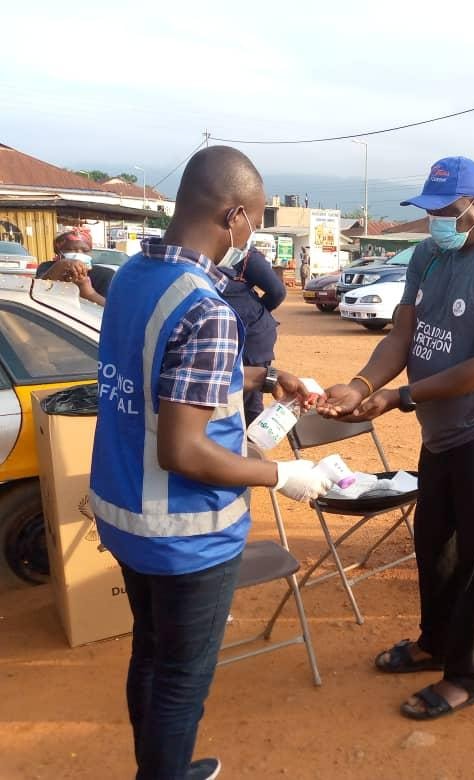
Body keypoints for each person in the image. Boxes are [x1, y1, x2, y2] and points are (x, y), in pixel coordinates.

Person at [89, 146, 332, 780]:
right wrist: (286, 476)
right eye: (253, 220)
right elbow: (185, 448)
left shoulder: (135, 279)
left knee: (150, 654)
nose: (252, 237)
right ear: (233, 216)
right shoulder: (207, 307)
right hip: (186, 534)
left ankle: (159, 770)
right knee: (180, 680)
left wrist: (269, 373)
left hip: (124, 514)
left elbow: (165, 377)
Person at [317, 156, 474, 720]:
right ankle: (434, 642)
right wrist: (362, 383)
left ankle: (467, 673)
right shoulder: (428, 254)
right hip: (443, 428)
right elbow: (403, 334)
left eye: (447, 211)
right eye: (430, 212)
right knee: (434, 544)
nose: (436, 222)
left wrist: (401, 398)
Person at [218, 247, 287, 424]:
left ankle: (251, 449)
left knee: (249, 402)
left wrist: (254, 313)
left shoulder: (243, 255)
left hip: (251, 338)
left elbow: (277, 291)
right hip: (224, 335)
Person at [36, 228, 112, 305]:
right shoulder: (47, 267)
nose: (78, 254)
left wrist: (87, 291)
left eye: (85, 251)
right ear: (59, 252)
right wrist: (61, 265)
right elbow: (37, 290)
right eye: (70, 250)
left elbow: (110, 309)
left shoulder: (104, 275)